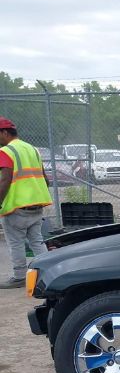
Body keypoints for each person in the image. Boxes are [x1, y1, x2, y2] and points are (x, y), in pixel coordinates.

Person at [0, 117, 53, 289]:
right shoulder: (33, 149)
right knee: (37, 241)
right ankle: (48, 272)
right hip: (36, 206)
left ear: (4, 133)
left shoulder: (6, 151)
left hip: (16, 208)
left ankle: (20, 276)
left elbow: (5, 180)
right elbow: (45, 179)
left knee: (15, 243)